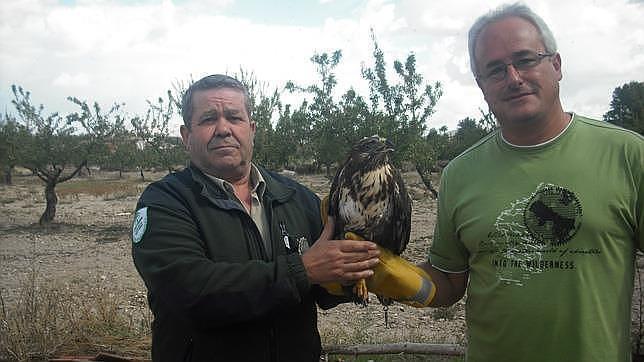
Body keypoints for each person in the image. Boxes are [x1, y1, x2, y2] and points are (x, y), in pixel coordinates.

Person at [417, 3, 643, 361]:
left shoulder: (629, 156)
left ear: (556, 65)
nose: (513, 77)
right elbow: (447, 284)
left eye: (525, 60)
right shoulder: (460, 173)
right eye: (495, 70)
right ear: (481, 86)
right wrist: (390, 276)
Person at [131, 74, 380, 361]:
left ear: (252, 129)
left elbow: (324, 290)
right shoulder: (165, 202)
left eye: (234, 117)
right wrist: (303, 269)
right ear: (186, 136)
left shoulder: (297, 197)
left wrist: (358, 270)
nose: (223, 129)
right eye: (209, 119)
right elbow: (190, 292)